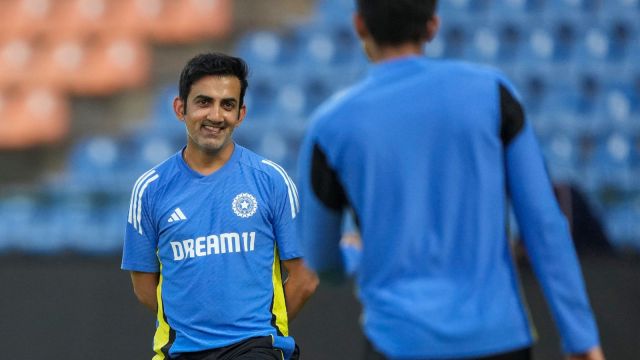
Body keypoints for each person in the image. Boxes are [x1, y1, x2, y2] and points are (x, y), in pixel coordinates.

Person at [296, 1, 605, 359]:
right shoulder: (492, 92)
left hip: (400, 343)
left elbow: (321, 261)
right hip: (499, 339)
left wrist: (352, 255)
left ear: (360, 25)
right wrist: (580, 337)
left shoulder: (330, 125)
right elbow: (544, 224)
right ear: (432, 27)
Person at [122, 52, 318, 360]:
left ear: (241, 114)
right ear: (179, 108)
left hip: (255, 348)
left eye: (227, 104)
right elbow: (144, 286)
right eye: (204, 102)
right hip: (182, 351)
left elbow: (305, 277)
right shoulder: (150, 190)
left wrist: (249, 329)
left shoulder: (271, 180)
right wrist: (201, 328)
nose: (216, 115)